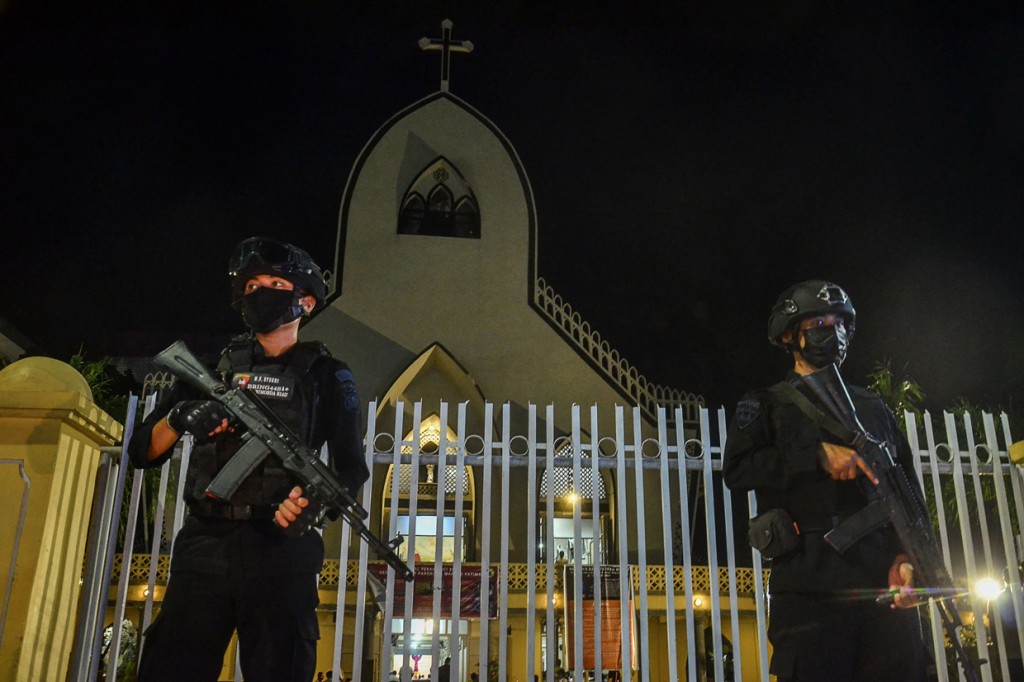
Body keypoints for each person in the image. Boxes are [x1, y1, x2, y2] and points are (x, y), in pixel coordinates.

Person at [129, 237, 369, 682]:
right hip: (205, 543)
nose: (262, 292)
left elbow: (351, 469)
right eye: (253, 285)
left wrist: (314, 504)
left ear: (307, 301)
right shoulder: (212, 367)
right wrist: (180, 417)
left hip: (283, 552)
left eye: (276, 282)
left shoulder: (328, 376)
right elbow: (142, 451)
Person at [722, 280, 925, 682]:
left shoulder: (873, 407)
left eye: (840, 323)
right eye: (818, 322)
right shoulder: (767, 404)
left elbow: (906, 490)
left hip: (879, 586)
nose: (832, 333)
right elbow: (738, 468)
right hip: (808, 589)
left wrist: (906, 558)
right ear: (788, 334)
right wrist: (815, 456)